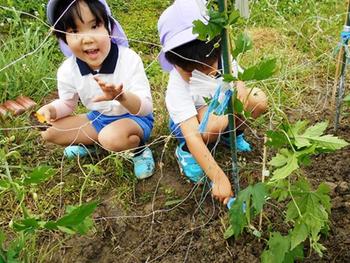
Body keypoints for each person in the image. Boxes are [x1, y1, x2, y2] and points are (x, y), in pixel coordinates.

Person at [157, 0, 268, 204]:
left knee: (257, 101)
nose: (200, 75)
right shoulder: (177, 86)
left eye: (208, 68)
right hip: (193, 122)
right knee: (211, 126)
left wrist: (239, 99)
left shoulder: (224, 58)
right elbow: (192, 134)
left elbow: (239, 82)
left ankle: (230, 136)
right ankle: (186, 154)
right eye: (189, 71)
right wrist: (217, 177)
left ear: (218, 50)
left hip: (220, 106)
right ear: (174, 63)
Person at [37, 0, 155, 179]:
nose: (87, 38)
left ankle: (139, 151)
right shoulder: (68, 70)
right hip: (98, 120)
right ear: (64, 38)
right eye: (75, 31)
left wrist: (121, 97)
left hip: (134, 120)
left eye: (94, 26)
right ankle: (93, 143)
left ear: (108, 27)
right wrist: (51, 110)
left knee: (111, 137)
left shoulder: (128, 59)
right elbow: (68, 105)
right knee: (49, 132)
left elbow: (146, 107)